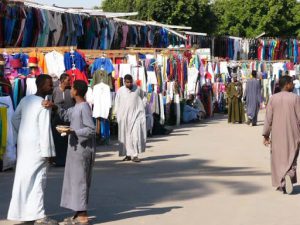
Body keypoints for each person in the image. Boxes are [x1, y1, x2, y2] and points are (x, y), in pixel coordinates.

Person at [7, 75, 58, 225]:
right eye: (49, 85)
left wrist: (24, 132)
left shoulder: (25, 100)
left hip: (24, 146)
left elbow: (15, 119)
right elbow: (44, 130)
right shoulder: (44, 105)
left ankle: (23, 213)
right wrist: (49, 153)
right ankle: (40, 216)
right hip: (38, 148)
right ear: (41, 85)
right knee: (38, 181)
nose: (51, 87)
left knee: (24, 179)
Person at [43, 80, 95, 225]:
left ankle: (83, 216)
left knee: (80, 181)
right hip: (75, 149)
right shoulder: (76, 106)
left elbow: (90, 130)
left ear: (76, 91)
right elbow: (66, 115)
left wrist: (73, 131)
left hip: (82, 151)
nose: (69, 90)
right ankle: (78, 213)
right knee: (75, 181)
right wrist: (54, 107)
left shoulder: (84, 107)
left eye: (71, 88)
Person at [263, 75, 300, 194]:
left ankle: (282, 183)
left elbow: (268, 118)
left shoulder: (273, 98)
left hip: (277, 134)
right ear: (287, 84)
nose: (293, 85)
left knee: (278, 159)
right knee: (292, 157)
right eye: (292, 83)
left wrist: (266, 134)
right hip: (293, 133)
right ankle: (289, 174)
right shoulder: (295, 98)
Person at [115, 74, 146, 163]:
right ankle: (128, 154)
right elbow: (117, 103)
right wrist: (118, 115)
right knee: (126, 137)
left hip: (136, 116)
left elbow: (143, 97)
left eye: (130, 82)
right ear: (124, 82)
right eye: (127, 82)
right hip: (124, 117)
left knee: (135, 136)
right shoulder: (120, 91)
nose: (129, 84)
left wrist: (142, 107)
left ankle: (135, 155)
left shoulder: (137, 89)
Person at [51, 73, 75, 166]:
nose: (70, 82)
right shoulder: (55, 91)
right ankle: (58, 161)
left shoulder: (71, 91)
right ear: (61, 81)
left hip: (68, 119)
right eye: (68, 80)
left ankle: (67, 160)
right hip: (57, 119)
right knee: (57, 140)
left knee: (67, 140)